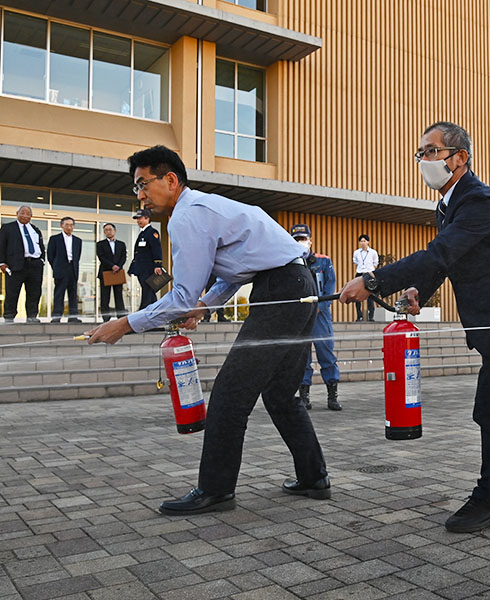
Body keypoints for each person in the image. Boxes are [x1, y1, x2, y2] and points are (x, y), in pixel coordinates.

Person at [86, 145, 331, 515]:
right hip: (294, 286)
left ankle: (215, 490)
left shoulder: (188, 216)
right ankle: (314, 478)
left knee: (230, 395)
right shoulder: (203, 208)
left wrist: (125, 324)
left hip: (282, 291)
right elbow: (237, 271)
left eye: (142, 184)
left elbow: (182, 296)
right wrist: (204, 305)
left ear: (170, 180)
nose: (139, 195)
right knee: (281, 394)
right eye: (134, 188)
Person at [340, 121, 490, 534]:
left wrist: (372, 281)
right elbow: (450, 258)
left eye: (432, 152)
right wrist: (421, 288)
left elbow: (439, 252)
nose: (424, 161)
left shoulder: (480, 201)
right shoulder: (450, 205)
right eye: (420, 153)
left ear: (460, 158)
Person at [292, 224, 342, 411]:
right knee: (303, 357)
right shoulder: (289, 262)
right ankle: (304, 395)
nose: (300, 243)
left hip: (320, 316)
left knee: (326, 353)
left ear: (310, 240)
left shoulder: (323, 260)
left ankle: (332, 395)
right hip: (301, 316)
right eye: (296, 240)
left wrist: (321, 305)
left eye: (303, 239)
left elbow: (331, 284)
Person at [0, 206, 45, 323]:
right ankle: (9, 316)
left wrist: (42, 261)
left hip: (35, 265)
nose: (25, 215)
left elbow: (41, 247)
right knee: (12, 292)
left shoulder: (35, 229)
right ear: (17, 213)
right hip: (16, 265)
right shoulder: (8, 228)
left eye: (28, 214)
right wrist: (2, 263)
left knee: (34, 292)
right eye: (22, 213)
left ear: (31, 216)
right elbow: (1, 246)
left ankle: (32, 316)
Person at [47, 216, 83, 323]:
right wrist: (56, 266)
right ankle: (57, 316)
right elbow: (50, 255)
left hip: (72, 268)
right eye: (67, 225)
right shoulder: (55, 239)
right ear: (61, 226)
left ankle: (73, 316)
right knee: (59, 293)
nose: (69, 227)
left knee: (73, 294)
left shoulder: (78, 240)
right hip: (60, 269)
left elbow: (77, 256)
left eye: (71, 225)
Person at [127, 208, 163, 309]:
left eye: (140, 218)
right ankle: (155, 311)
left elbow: (157, 249)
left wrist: (158, 265)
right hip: (141, 268)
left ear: (147, 218)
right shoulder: (142, 233)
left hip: (148, 268)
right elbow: (138, 253)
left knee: (147, 290)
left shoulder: (152, 232)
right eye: (137, 219)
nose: (138, 221)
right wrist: (132, 268)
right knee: (150, 293)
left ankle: (143, 311)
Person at [97, 223, 128, 321]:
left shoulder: (121, 244)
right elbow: (101, 257)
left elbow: (124, 257)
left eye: (110, 229)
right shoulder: (100, 244)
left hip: (117, 272)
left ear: (115, 231)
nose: (108, 231)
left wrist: (118, 266)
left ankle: (121, 316)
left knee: (118, 295)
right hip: (105, 272)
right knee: (105, 296)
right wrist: (112, 266)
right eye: (105, 230)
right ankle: (106, 317)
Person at [352, 234, 378, 321]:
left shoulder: (373, 252)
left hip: (369, 274)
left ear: (368, 242)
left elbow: (375, 263)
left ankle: (371, 316)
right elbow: (355, 262)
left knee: (370, 295)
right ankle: (359, 316)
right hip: (359, 273)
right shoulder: (356, 252)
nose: (363, 243)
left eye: (364, 241)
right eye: (361, 241)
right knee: (357, 296)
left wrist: (371, 272)